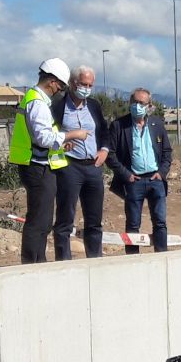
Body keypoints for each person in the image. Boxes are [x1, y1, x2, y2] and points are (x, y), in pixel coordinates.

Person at [10, 58, 89, 264]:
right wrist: (72, 135)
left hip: (40, 164)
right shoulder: (37, 102)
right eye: (61, 86)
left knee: (43, 221)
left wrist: (61, 144)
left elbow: (44, 138)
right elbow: (43, 138)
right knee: (39, 221)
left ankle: (38, 261)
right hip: (36, 168)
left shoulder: (37, 100)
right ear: (52, 81)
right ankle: (33, 263)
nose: (59, 90)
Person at [50, 65, 110, 260]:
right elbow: (48, 135)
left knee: (94, 220)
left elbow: (104, 131)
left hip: (93, 166)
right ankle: (64, 262)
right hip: (69, 167)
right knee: (65, 219)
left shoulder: (93, 105)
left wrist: (104, 150)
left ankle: (95, 260)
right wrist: (60, 146)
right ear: (72, 83)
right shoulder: (58, 107)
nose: (86, 88)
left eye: (90, 85)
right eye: (83, 84)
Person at [109, 87, 174, 254]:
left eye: (142, 103)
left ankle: (161, 255)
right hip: (133, 181)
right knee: (132, 224)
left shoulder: (157, 124)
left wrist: (162, 172)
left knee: (160, 222)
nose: (137, 106)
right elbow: (110, 154)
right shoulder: (119, 125)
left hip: (155, 180)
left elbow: (167, 152)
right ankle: (132, 259)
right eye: (135, 102)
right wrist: (126, 175)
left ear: (149, 106)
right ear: (130, 103)